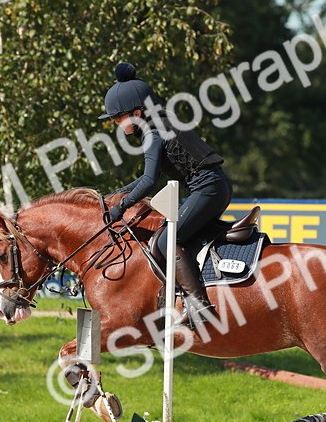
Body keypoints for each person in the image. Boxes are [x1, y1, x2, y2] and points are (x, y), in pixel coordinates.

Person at [99, 62, 231, 326]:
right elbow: (149, 176)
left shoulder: (153, 132)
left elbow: (149, 182)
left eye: (118, 118)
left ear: (136, 112)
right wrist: (119, 192)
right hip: (214, 186)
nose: (117, 125)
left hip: (208, 188)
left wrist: (121, 207)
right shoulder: (162, 122)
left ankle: (199, 306)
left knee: (165, 242)